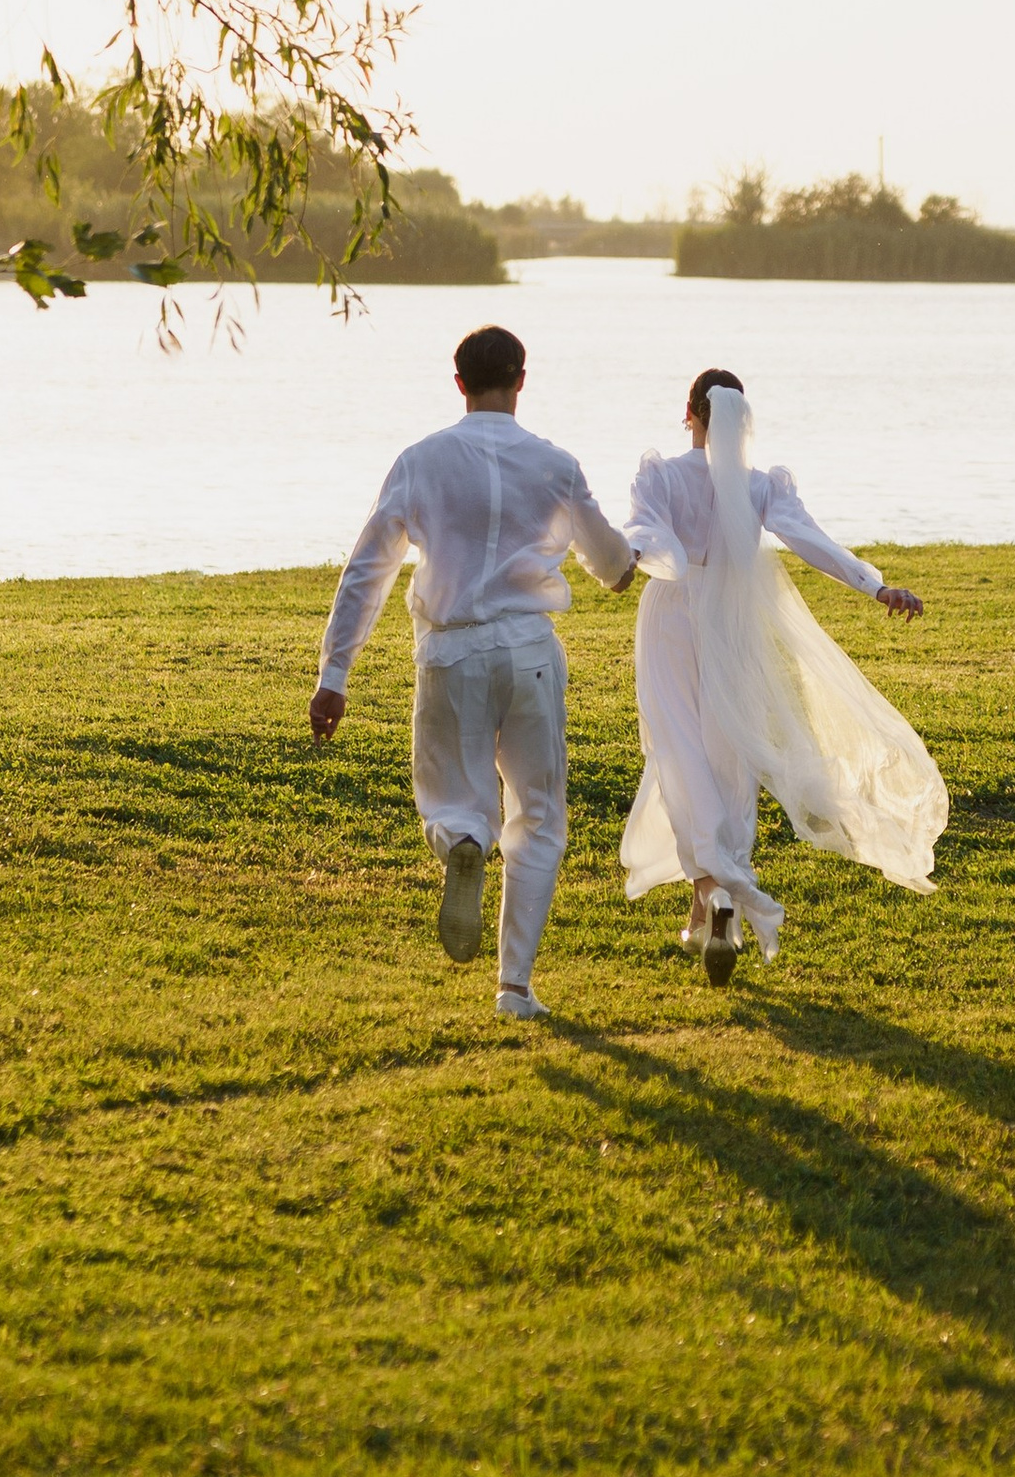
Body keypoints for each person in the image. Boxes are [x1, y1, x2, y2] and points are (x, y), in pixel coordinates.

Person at [309, 322, 638, 1019]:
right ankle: (514, 986)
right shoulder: (556, 464)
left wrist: (335, 672)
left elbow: (371, 565)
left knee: (451, 795)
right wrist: (624, 568)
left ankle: (461, 840)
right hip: (529, 650)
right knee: (540, 817)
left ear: (458, 383)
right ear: (522, 379)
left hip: (451, 647)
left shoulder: (422, 460)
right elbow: (610, 564)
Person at [622, 369, 943, 986]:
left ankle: (713, 899)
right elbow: (809, 540)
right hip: (732, 624)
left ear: (689, 412)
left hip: (671, 618)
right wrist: (874, 586)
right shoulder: (759, 486)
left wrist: (639, 557)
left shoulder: (659, 475)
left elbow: (646, 534)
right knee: (728, 757)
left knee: (679, 752)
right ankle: (710, 903)